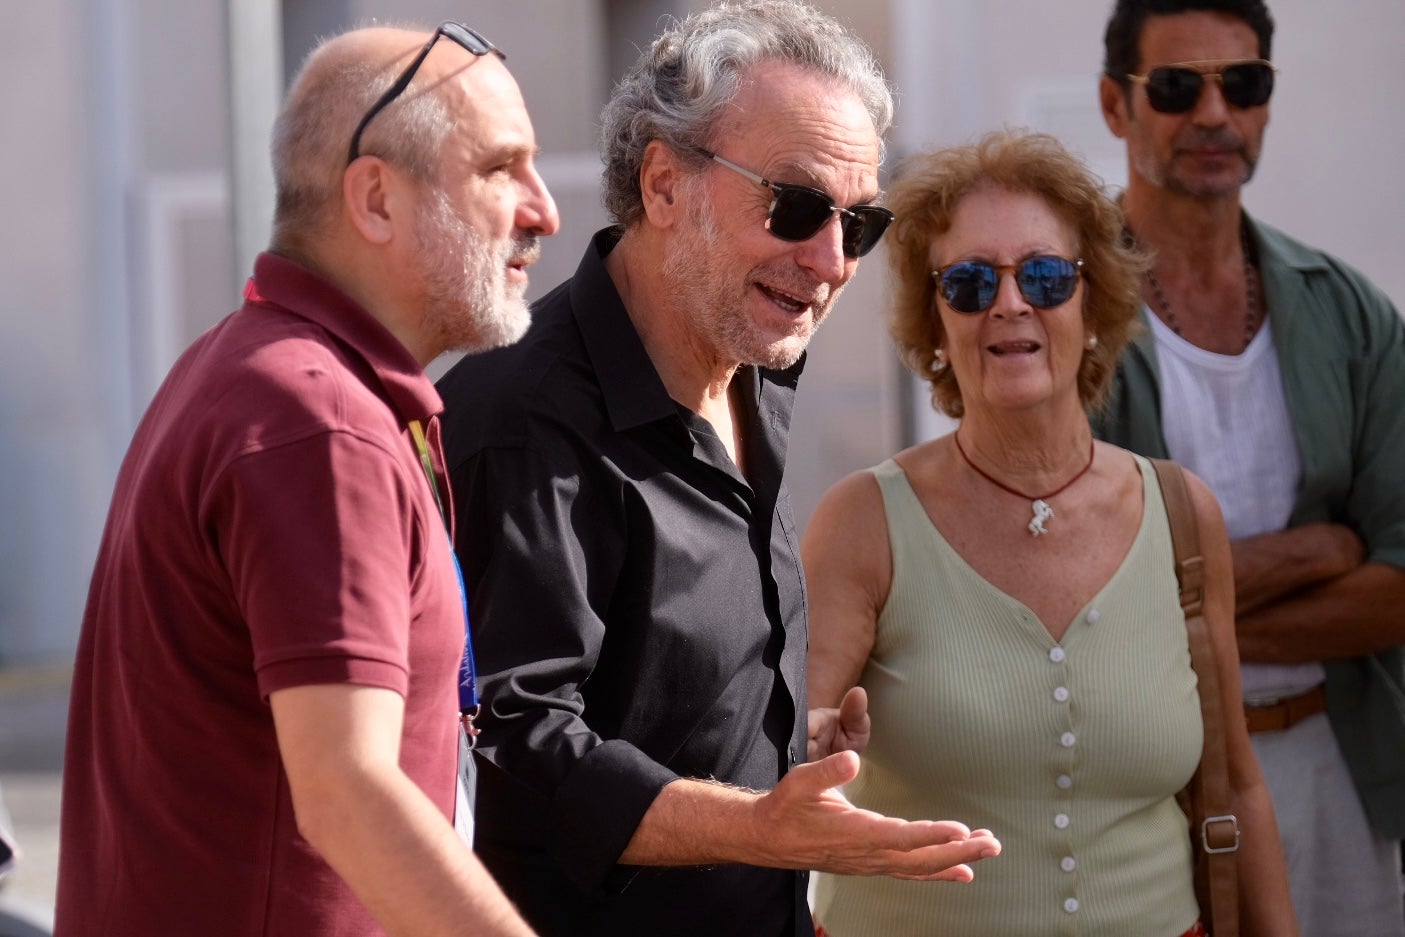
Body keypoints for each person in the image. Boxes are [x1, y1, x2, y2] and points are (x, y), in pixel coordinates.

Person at [436, 3, 1000, 935]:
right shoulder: (521, 420)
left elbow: (651, 690)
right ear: (663, 184)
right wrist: (759, 825)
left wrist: (769, 735)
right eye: (796, 207)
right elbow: (513, 743)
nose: (830, 260)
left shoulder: (747, 367)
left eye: (858, 223)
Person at [55, 23, 558, 937]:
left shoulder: (265, 374)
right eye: (499, 167)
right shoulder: (318, 421)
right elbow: (347, 790)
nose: (543, 210)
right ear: (376, 199)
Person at [803, 130, 1297, 936]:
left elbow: (1237, 783)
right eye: (968, 283)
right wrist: (810, 744)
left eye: (1043, 276)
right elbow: (791, 752)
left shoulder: (1181, 514)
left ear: (1091, 304)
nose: (1009, 303)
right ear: (935, 323)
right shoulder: (863, 521)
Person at [1092, 1, 1405, 933]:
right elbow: (1075, 598)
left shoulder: (1348, 312)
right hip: (1149, 783)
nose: (1213, 114)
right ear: (1114, 105)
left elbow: (1397, 589)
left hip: (1339, 764)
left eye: (1243, 83)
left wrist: (1185, 616)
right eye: (1175, 87)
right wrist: (1316, 551)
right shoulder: (1063, 313)